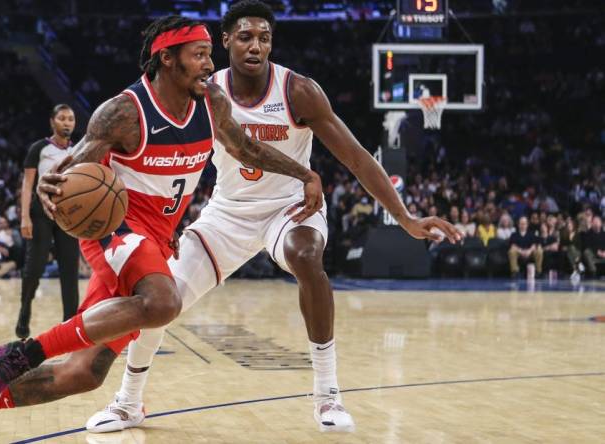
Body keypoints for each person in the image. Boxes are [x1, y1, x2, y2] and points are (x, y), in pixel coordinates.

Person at [0, 16, 326, 443]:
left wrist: (302, 174)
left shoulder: (212, 102)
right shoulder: (125, 111)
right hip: (114, 226)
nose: (208, 65)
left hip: (156, 236)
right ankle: (18, 353)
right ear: (167, 58)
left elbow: (244, 147)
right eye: (198, 55)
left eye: (208, 55)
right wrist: (55, 185)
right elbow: (78, 165)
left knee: (83, 373)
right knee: (163, 303)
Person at [86, 1, 461, 434]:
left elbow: (357, 158)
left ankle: (327, 395)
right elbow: (178, 164)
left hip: (289, 208)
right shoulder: (201, 90)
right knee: (158, 301)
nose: (255, 46)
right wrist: (164, 227)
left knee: (306, 255)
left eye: (264, 38)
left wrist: (406, 217)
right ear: (224, 42)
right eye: (245, 37)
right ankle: (128, 402)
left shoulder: (298, 90)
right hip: (226, 214)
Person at [17, 104, 80, 338]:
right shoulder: (39, 148)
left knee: (69, 270)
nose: (67, 123)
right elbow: (27, 184)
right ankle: (24, 313)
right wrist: (24, 216)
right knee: (34, 269)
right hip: (41, 210)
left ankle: (70, 323)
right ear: (52, 121)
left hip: (69, 212)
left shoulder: (79, 150)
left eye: (71, 119)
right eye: (62, 118)